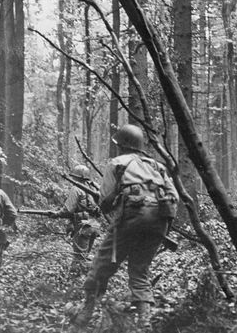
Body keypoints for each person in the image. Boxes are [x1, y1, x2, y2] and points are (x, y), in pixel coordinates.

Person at [71, 124, 179, 329]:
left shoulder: (117, 163)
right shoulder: (157, 166)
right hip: (159, 224)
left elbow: (104, 203)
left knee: (101, 266)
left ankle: (85, 313)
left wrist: (114, 205)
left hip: (129, 220)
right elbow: (173, 198)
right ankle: (144, 322)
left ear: (122, 145)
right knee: (140, 271)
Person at [49, 164, 101, 275]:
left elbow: (68, 210)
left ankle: (77, 283)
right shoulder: (93, 188)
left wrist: (56, 214)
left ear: (76, 177)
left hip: (83, 226)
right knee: (84, 255)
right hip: (94, 225)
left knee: (79, 259)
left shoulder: (76, 189)